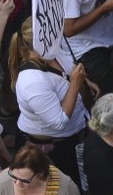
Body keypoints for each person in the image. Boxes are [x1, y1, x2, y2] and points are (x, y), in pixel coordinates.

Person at [6, 18, 90, 184]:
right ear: (39, 43)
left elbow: (67, 73)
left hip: (73, 137)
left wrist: (84, 84)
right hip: (55, 150)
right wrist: (75, 85)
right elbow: (58, 122)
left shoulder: (52, 52)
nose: (59, 39)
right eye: (53, 36)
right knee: (66, 192)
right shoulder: (32, 81)